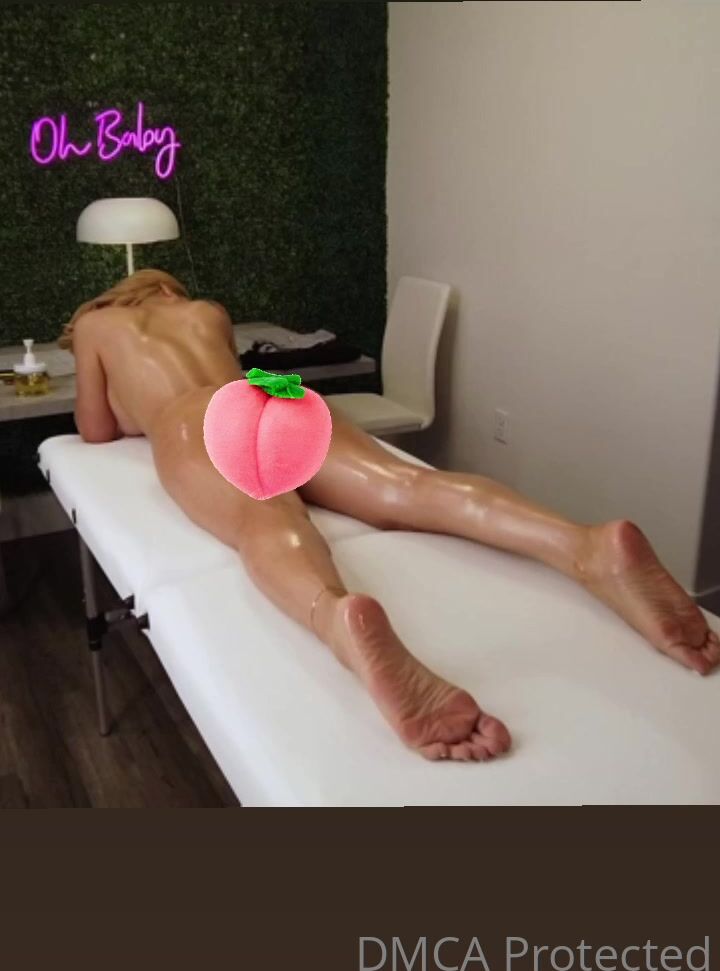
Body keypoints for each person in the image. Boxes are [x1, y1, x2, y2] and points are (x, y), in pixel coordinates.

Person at [60, 269, 720, 762]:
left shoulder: (95, 328)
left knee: (266, 517)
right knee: (408, 486)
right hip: (269, 393)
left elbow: (95, 430)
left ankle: (336, 617)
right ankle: (584, 544)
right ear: (165, 290)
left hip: (193, 418)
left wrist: (130, 400)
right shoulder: (206, 311)